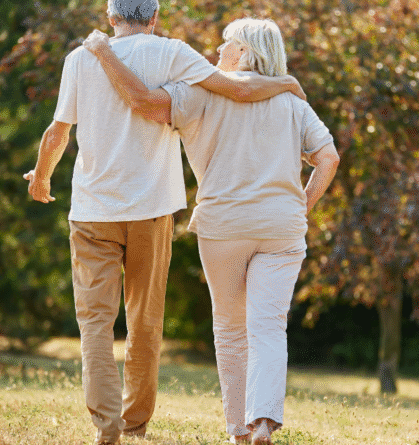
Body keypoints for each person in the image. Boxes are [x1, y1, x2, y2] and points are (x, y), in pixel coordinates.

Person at [23, 1, 306, 444]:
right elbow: (238, 90)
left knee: (95, 324)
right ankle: (134, 424)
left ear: (111, 16)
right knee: (145, 322)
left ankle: (106, 426)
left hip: (92, 212)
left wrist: (41, 176)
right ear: (153, 17)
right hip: (151, 210)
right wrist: (285, 82)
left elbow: (58, 131)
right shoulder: (172, 52)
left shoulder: (79, 58)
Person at [82, 18, 339, 444]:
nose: (217, 51)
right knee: (270, 325)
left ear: (242, 51)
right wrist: (302, 204)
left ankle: (238, 430)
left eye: (225, 44)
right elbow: (327, 158)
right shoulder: (293, 100)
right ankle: (263, 422)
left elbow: (146, 105)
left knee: (232, 330)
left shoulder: (198, 93)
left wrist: (105, 56)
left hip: (223, 227)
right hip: (281, 227)